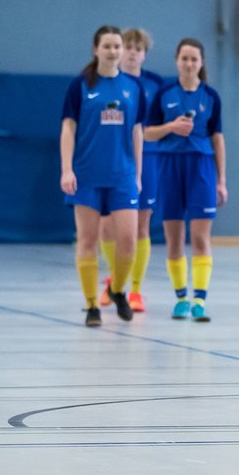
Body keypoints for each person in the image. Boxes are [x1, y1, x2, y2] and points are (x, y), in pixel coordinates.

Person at [59, 25, 144, 327]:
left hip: (122, 175)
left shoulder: (133, 88)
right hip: (86, 176)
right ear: (96, 50)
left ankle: (118, 289)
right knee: (88, 240)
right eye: (107, 46)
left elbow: (137, 131)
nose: (113, 51)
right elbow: (68, 128)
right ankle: (92, 305)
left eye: (117, 46)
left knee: (128, 241)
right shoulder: (80, 85)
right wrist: (67, 169)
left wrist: (137, 173)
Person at [144, 38, 227, 322]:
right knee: (174, 238)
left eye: (194, 59)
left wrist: (221, 179)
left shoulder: (211, 97)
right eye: (185, 58)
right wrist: (171, 127)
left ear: (201, 63)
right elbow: (146, 133)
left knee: (201, 237)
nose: (190, 64)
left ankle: (200, 300)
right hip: (169, 166)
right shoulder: (164, 94)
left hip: (201, 167)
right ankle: (180, 298)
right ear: (177, 61)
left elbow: (218, 139)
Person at [98, 28, 166, 313]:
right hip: (111, 159)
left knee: (140, 225)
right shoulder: (105, 82)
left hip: (147, 158)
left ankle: (135, 290)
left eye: (140, 48)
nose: (134, 52)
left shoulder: (155, 85)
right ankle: (116, 280)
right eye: (130, 47)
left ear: (145, 54)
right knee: (106, 226)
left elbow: (160, 128)